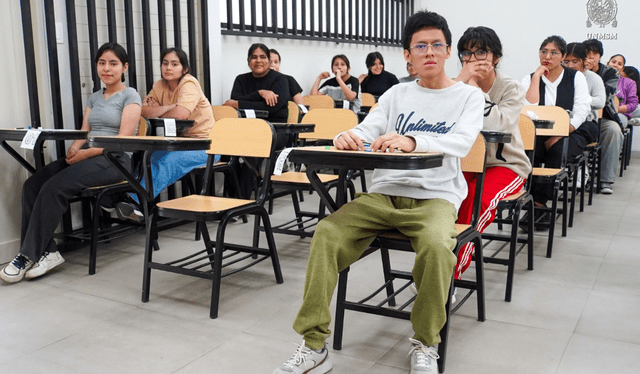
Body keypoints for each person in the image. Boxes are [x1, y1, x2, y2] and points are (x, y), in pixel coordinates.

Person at [273, 10, 484, 374]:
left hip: (435, 198)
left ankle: (425, 343)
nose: (429, 52)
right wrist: (347, 137)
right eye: (421, 46)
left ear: (449, 51)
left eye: (437, 45)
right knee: (326, 232)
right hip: (383, 196)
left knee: (436, 247)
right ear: (407, 54)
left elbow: (463, 142)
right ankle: (314, 346)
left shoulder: (468, 96)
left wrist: (411, 139)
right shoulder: (396, 94)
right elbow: (368, 130)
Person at [0, 43, 141, 283]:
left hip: (115, 160)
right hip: (91, 155)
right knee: (33, 184)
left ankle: (27, 254)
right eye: (102, 63)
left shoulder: (131, 95)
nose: (106, 69)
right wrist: (75, 148)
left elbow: (121, 140)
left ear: (124, 67)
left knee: (56, 187)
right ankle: (50, 252)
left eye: (113, 63)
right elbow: (84, 132)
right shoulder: (95, 97)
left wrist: (85, 154)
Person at [452, 26, 531, 279]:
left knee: (476, 199)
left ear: (496, 57)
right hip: (465, 163)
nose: (473, 59)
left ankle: (449, 274)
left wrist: (473, 86)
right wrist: (461, 83)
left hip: (506, 166)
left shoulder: (511, 88)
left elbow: (498, 123)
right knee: (444, 196)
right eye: (467, 53)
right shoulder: (455, 85)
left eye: (481, 52)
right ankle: (433, 261)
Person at [114, 47, 217, 221]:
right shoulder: (159, 85)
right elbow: (144, 111)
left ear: (184, 69)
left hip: (206, 146)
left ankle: (137, 202)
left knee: (168, 161)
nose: (168, 68)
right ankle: (132, 199)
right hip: (179, 143)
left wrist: (160, 110)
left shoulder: (189, 83)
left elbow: (181, 114)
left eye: (174, 64)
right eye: (165, 63)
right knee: (148, 157)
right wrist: (170, 107)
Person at [521, 35, 596, 220]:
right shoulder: (530, 78)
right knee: (530, 151)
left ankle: (538, 205)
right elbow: (528, 108)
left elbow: (581, 110)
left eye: (554, 52)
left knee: (557, 150)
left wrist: (561, 133)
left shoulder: (575, 77)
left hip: (572, 130)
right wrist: (537, 77)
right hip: (538, 132)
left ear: (563, 56)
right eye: (544, 51)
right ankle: (530, 200)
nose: (547, 56)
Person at [583, 38, 622, 194]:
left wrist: (591, 74)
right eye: (587, 54)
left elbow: (604, 95)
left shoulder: (610, 72)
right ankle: (581, 175)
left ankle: (605, 180)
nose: (591, 57)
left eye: (595, 54)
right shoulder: (575, 71)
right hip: (581, 117)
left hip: (603, 116)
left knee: (614, 131)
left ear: (600, 56)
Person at [224, 43, 291, 123]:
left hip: (274, 128)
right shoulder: (240, 79)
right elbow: (234, 100)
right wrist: (259, 93)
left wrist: (239, 104)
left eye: (263, 57)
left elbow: (271, 108)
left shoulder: (280, 79)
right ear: (248, 61)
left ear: (269, 61)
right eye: (254, 57)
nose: (258, 60)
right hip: (245, 126)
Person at [607, 54, 639, 128]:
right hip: (599, 113)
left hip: (619, 113)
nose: (615, 65)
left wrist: (616, 109)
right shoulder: (599, 78)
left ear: (622, 68)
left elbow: (633, 104)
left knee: (615, 126)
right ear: (607, 63)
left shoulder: (629, 82)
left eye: (619, 64)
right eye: (613, 62)